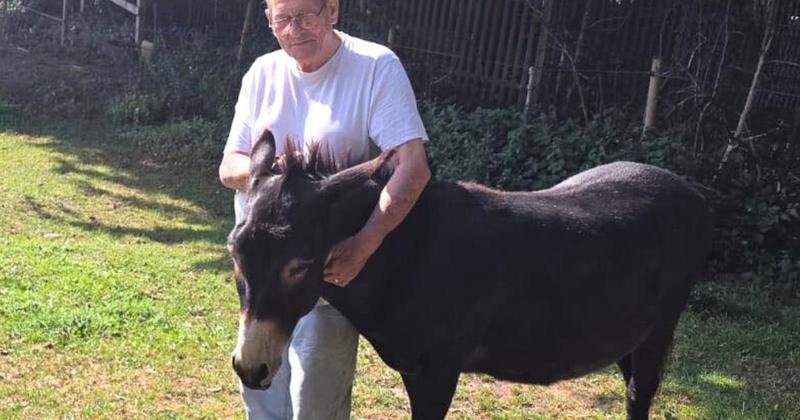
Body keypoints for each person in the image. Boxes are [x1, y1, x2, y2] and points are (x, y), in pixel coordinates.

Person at [217, 0, 431, 418]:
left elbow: (413, 167)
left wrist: (365, 243)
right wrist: (280, 178)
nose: (294, 29)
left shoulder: (375, 67)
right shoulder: (262, 72)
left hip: (330, 278)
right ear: (269, 20)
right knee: (259, 393)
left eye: (306, 16)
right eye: (284, 19)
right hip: (261, 280)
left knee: (316, 405)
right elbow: (230, 166)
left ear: (332, 10)